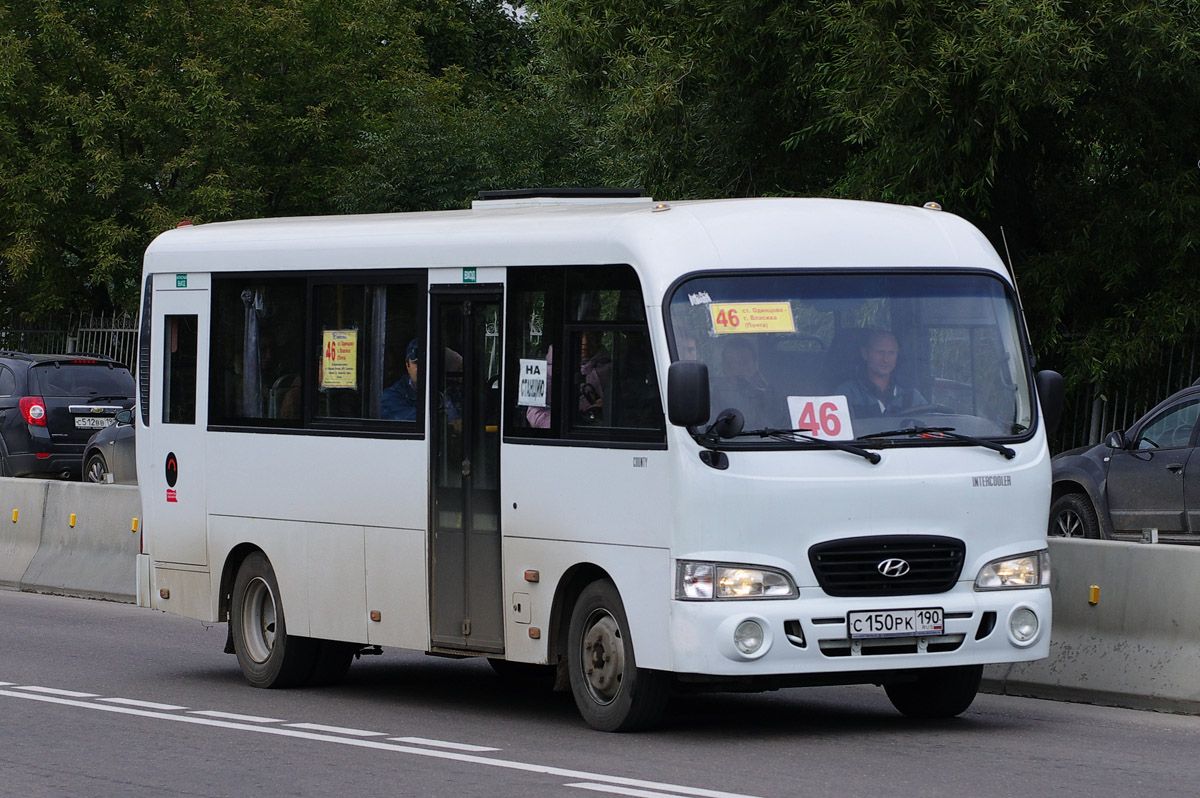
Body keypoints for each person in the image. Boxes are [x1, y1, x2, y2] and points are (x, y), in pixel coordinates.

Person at [836, 330, 926, 417]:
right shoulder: (847, 394)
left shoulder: (910, 395)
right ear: (865, 354)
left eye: (891, 353)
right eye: (880, 352)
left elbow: (930, 426)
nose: (885, 359)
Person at [382, 339, 461, 430]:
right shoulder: (391, 396)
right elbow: (417, 424)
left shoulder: (454, 388)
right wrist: (449, 425)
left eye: (428, 363)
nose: (423, 368)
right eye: (417, 363)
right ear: (407, 365)